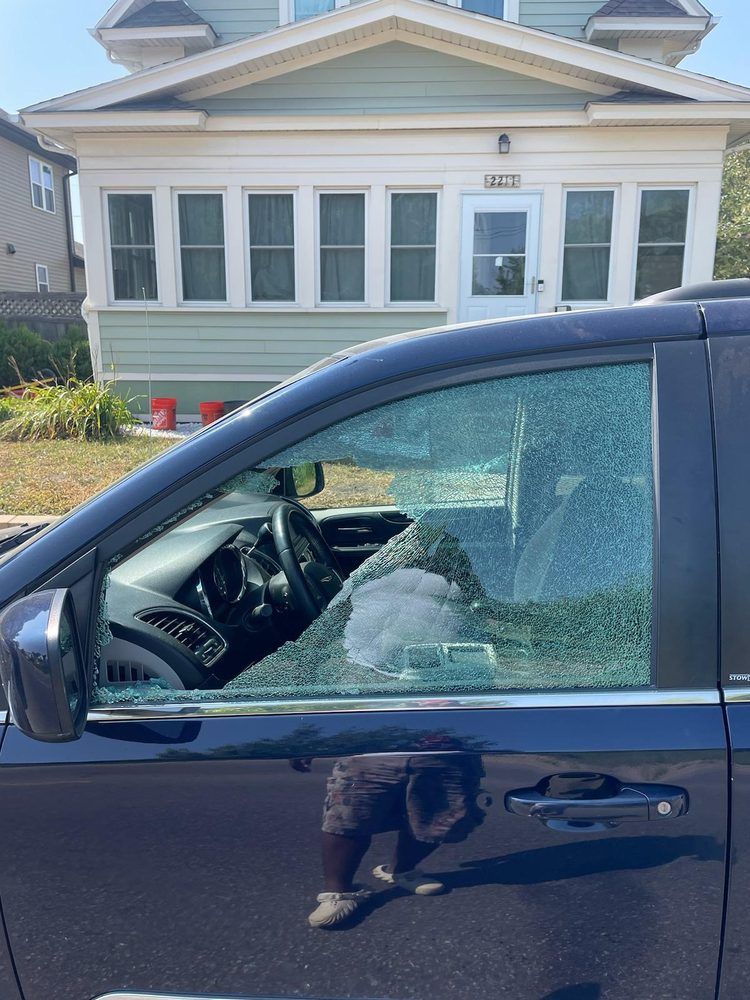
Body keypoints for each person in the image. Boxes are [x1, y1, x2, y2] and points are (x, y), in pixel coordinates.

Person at [306, 742, 489, 929]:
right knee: (348, 815)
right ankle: (338, 893)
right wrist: (303, 744)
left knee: (437, 819)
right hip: (370, 749)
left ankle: (402, 871)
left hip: (449, 753)